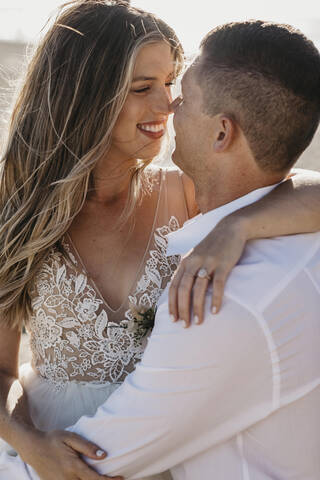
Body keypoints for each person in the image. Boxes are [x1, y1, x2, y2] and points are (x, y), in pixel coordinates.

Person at [1, 6, 320, 480]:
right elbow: (4, 371)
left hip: (166, 458)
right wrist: (28, 444)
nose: (167, 105)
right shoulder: (18, 209)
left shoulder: (189, 193)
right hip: (50, 456)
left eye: (171, 83)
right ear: (87, 96)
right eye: (142, 88)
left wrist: (240, 226)